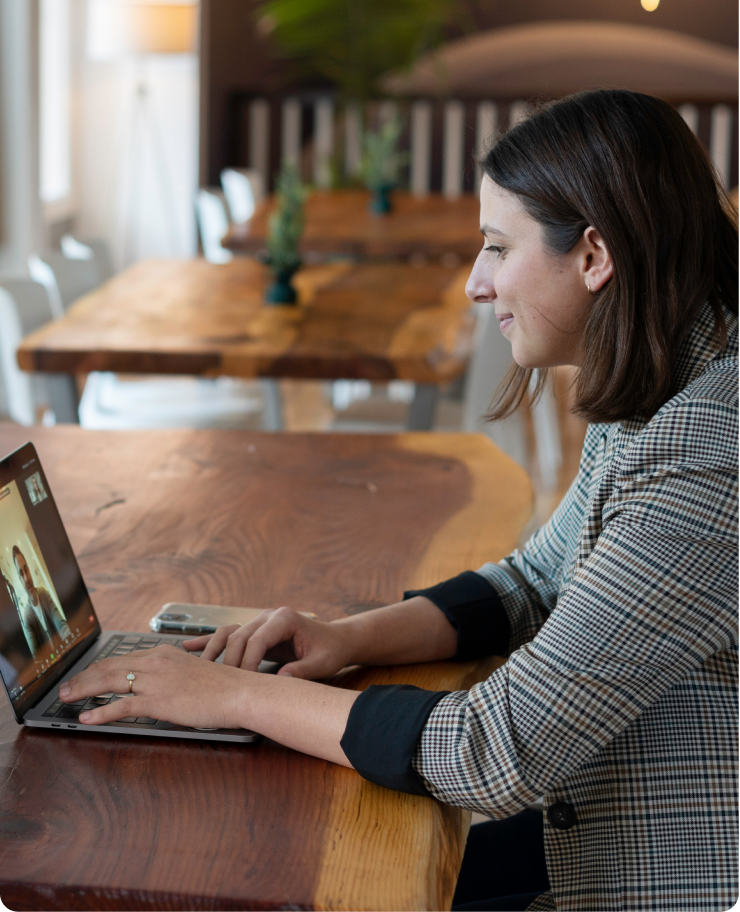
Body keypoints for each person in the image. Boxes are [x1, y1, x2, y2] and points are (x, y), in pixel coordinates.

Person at [60, 91, 738, 912]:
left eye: (496, 247)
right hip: (614, 825)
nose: (474, 284)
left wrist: (232, 697)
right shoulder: (662, 378)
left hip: (677, 874)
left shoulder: (710, 445)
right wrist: (345, 638)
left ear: (594, 255)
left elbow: (496, 749)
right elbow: (535, 580)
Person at [12, 546, 70, 654]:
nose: (26, 578)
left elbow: (61, 625)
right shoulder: (27, 617)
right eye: (21, 573)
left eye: (26, 569)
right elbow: (36, 657)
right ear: (19, 579)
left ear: (29, 570)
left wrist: (70, 638)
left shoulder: (44, 594)